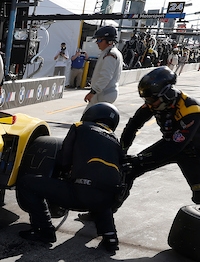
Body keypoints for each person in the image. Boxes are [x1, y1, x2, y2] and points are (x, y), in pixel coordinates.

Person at [16, 102, 124, 253]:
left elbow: (64, 160)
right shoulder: (116, 142)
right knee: (101, 193)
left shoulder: (80, 127)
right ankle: (111, 238)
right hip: (107, 200)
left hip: (79, 195)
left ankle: (44, 230)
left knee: (26, 183)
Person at [120, 66, 200, 206]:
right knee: (128, 170)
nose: (148, 103)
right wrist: (122, 150)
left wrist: (140, 159)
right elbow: (133, 125)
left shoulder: (190, 109)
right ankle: (105, 211)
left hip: (194, 152)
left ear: (167, 94)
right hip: (170, 142)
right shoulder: (154, 103)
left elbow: (175, 146)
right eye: (146, 99)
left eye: (151, 99)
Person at [84, 25, 123, 105]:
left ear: (109, 41)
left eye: (99, 40)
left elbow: (105, 76)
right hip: (103, 93)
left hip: (103, 94)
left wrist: (93, 92)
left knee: (92, 113)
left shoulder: (110, 55)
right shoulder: (111, 53)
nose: (97, 43)